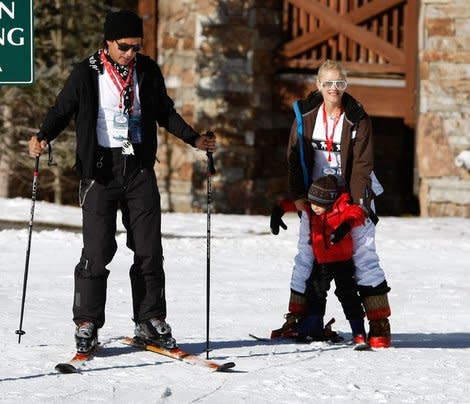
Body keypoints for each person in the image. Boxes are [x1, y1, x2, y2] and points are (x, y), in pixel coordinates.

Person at [28, 10, 216, 353]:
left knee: (148, 249)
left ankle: (150, 320)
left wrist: (193, 139)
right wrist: (42, 136)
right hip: (100, 169)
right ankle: (87, 322)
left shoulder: (146, 70)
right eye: (125, 47)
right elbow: (62, 109)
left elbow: (164, 112)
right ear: (108, 43)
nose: (131, 53)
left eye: (137, 47)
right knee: (97, 251)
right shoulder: (87, 72)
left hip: (138, 168)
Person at [272, 60, 391, 348]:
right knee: (307, 255)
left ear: (345, 85)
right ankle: (299, 317)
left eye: (339, 83)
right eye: (328, 83)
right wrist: (297, 195)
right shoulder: (306, 115)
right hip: (317, 199)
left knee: (364, 256)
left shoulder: (357, 117)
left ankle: (378, 323)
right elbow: (294, 157)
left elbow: (363, 163)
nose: (333, 89)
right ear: (318, 85)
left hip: (351, 195)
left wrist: (357, 206)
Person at [271, 175, 366, 344]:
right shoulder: (311, 208)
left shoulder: (342, 207)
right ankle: (313, 324)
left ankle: (358, 330)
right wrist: (279, 209)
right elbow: (294, 204)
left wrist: (345, 226)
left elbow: (357, 213)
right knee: (315, 293)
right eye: (312, 202)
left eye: (318, 204)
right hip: (321, 262)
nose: (314, 207)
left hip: (342, 262)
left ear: (330, 201)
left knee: (348, 295)